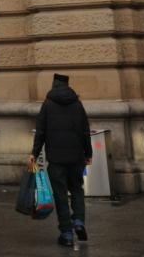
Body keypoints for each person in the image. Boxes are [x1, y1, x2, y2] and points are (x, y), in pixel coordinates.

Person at [29, 72, 92, 249]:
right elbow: (85, 131)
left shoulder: (48, 105)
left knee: (60, 195)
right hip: (76, 157)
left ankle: (66, 234)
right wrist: (88, 153)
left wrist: (34, 153)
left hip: (56, 159)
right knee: (77, 189)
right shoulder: (77, 104)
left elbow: (40, 132)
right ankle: (78, 221)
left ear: (54, 84)